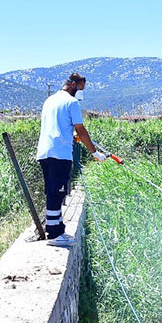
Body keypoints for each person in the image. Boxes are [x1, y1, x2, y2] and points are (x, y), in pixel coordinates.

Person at [36, 72, 107, 246]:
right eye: (81, 87)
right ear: (74, 85)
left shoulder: (50, 101)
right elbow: (81, 130)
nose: (81, 92)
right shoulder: (72, 102)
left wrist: (70, 135)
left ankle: (58, 228)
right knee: (57, 192)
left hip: (45, 151)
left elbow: (59, 125)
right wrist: (94, 153)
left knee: (52, 190)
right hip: (60, 153)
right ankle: (54, 234)